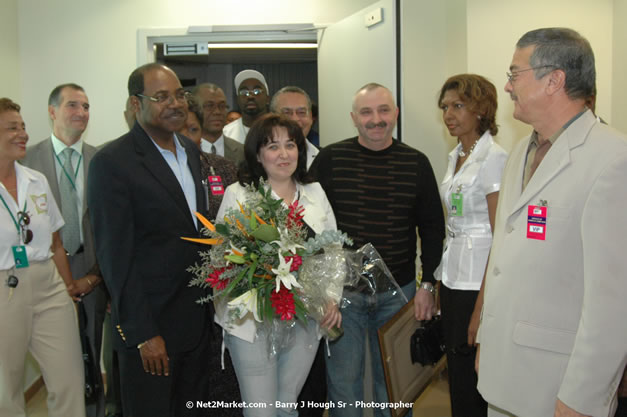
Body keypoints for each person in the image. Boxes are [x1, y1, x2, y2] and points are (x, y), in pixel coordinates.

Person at [476, 28, 627, 417]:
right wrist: (489, 345)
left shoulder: (612, 160)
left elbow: (612, 305)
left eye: (514, 74)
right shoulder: (520, 154)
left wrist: (582, 398)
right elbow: (505, 257)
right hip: (504, 374)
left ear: (554, 80)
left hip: (557, 387)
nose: (507, 87)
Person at [309, 83, 445, 417]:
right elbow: (309, 218)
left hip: (399, 294)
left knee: (398, 388)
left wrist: (428, 284)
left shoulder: (416, 163)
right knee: (344, 386)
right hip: (344, 297)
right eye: (367, 112)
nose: (376, 119)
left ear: (395, 114)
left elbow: (432, 229)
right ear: (354, 118)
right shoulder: (330, 159)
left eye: (384, 110)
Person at [87, 63, 211, 417]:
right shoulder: (113, 162)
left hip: (196, 322)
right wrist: (142, 333)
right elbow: (115, 258)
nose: (174, 103)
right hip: (151, 331)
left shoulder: (191, 151)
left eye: (179, 95)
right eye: (161, 97)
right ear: (135, 104)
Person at [216, 113, 341, 417]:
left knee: (286, 406)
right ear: (258, 154)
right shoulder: (240, 195)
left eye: (291, 145)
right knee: (261, 411)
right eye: (273, 146)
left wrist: (332, 299)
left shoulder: (315, 193)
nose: (284, 154)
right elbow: (220, 259)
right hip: (252, 322)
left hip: (305, 319)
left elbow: (334, 252)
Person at [22, 83, 107, 417]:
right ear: (52, 111)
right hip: (44, 271)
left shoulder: (102, 160)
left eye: (86, 107)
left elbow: (111, 227)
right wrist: (62, 278)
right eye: (73, 105)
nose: (82, 113)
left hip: (92, 267)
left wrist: (94, 276)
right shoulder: (27, 161)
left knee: (92, 352)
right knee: (60, 363)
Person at [0, 97, 85, 416]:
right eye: (12, 128)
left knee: (68, 378)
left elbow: (55, 241)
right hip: (5, 288)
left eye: (22, 127)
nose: (22, 134)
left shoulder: (36, 180)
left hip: (48, 283)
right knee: (5, 387)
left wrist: (68, 288)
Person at [435, 74, 507, 417]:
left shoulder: (494, 157)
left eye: (458, 106)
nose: (449, 114)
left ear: (481, 110)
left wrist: (482, 306)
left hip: (476, 283)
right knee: (457, 374)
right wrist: (439, 280)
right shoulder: (457, 155)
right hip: (453, 280)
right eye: (446, 106)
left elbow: (500, 236)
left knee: (472, 380)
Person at [181, 98, 238, 220]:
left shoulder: (224, 167)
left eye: (193, 130)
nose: (186, 137)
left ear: (202, 132)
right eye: (179, 131)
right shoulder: (160, 169)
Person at [191, 83, 244, 166]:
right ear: (194, 110)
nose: (217, 112)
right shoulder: (185, 151)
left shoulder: (242, 152)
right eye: (209, 106)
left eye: (222, 106)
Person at [270, 86, 319, 169]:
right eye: (286, 113)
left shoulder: (323, 159)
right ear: (271, 117)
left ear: (311, 117)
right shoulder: (259, 161)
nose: (295, 119)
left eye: (301, 112)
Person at [223, 69, 270, 144]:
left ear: (267, 99)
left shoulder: (280, 130)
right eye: (244, 92)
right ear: (237, 100)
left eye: (256, 91)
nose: (250, 96)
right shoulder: (225, 133)